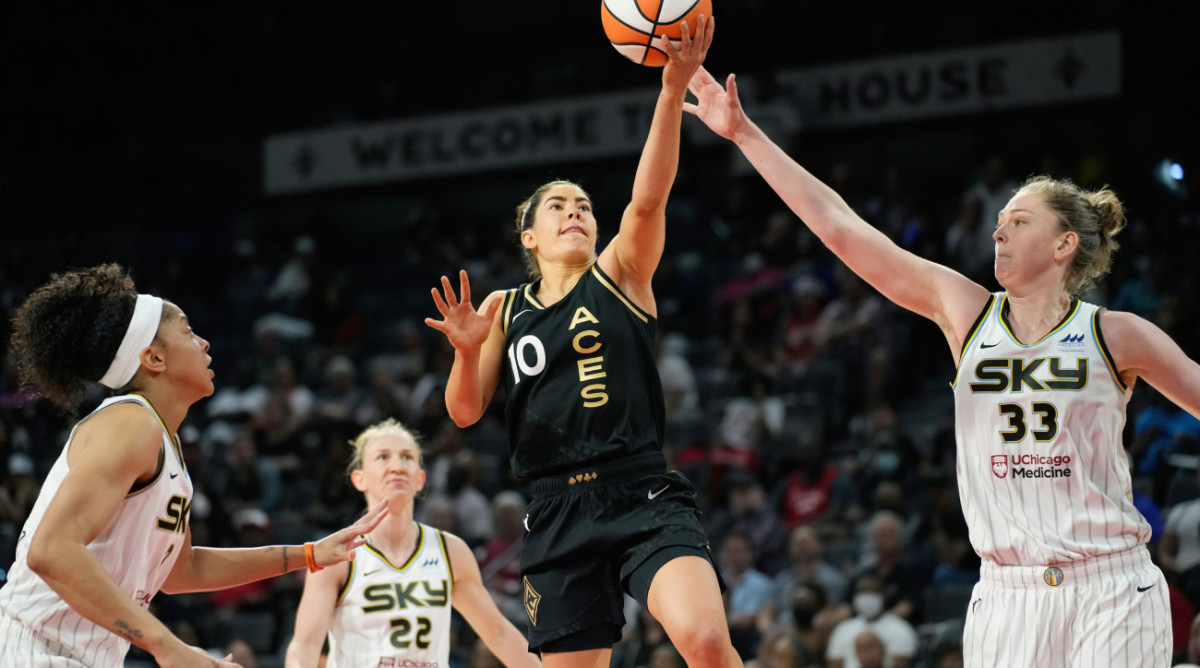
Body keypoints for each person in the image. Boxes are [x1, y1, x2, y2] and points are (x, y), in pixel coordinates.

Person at [686, 66, 1186, 666]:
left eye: (1019, 222)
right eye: (998, 222)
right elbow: (841, 229)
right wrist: (744, 135)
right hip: (1008, 596)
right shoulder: (965, 312)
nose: (998, 231)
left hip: (1111, 584)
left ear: (1064, 245)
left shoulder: (1116, 333)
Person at [425, 16, 740, 668]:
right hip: (555, 507)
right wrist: (463, 351)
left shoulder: (620, 272)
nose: (576, 211)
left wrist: (669, 90)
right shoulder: (501, 308)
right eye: (558, 206)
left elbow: (648, 201)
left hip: (640, 493)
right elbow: (462, 412)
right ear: (530, 238)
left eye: (585, 206)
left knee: (707, 641)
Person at [0, 263, 388, 668]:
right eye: (187, 331)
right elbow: (51, 550)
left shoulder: (164, 443)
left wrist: (309, 553)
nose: (203, 343)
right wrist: (168, 645)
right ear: (153, 358)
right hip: (30, 647)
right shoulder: (131, 422)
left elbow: (182, 569)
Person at [284, 419, 540, 668]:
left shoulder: (450, 551)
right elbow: (305, 645)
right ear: (359, 478)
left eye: (407, 457)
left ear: (420, 478)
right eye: (383, 457)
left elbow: (498, 634)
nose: (397, 466)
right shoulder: (338, 555)